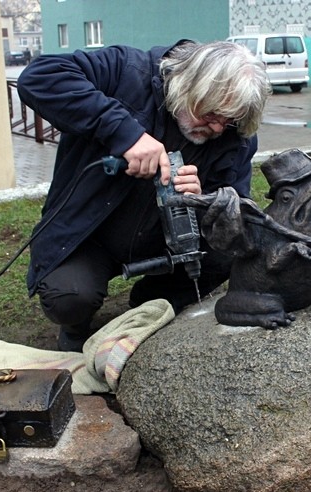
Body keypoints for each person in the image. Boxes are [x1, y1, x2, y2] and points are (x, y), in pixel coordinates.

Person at [17, 40, 270, 351]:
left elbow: (237, 211)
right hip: (88, 234)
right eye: (211, 113)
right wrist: (125, 134)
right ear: (190, 85)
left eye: (228, 120)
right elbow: (39, 77)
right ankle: (75, 327)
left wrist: (207, 197)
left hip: (165, 241)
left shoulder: (234, 135)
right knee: (69, 297)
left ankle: (149, 302)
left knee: (234, 253)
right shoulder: (127, 72)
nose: (217, 127)